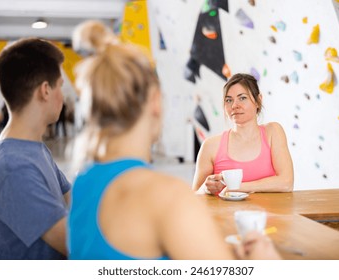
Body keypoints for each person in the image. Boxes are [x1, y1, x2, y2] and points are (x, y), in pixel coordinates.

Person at [67, 20, 280, 260]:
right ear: (155, 101)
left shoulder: (83, 181)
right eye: (230, 99)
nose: (235, 105)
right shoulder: (168, 195)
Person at [0, 38, 71, 259]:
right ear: (45, 91)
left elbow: (72, 200)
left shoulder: (34, 148)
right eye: (60, 85)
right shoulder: (12, 166)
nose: (62, 95)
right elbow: (75, 244)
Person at [192, 73, 294, 194]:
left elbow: (287, 183)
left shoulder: (273, 132)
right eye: (229, 100)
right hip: (226, 213)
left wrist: (238, 187)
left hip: (270, 213)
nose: (234, 105)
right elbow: (194, 197)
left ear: (258, 101)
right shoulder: (210, 146)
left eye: (242, 98)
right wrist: (205, 188)